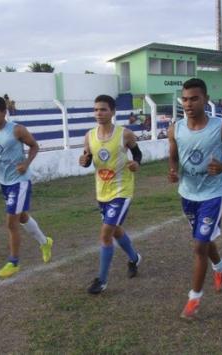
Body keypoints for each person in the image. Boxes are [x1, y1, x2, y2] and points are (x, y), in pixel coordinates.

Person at [168, 78, 222, 319]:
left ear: (206, 99)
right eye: (185, 99)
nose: (188, 103)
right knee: (204, 237)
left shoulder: (221, 126)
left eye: (194, 98)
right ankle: (220, 266)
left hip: (214, 192)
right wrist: (172, 170)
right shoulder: (175, 128)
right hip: (188, 193)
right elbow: (173, 154)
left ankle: (194, 299)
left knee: (200, 244)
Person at [0, 96, 53, 278]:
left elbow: (34, 146)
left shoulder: (17, 130)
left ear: (4, 112)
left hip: (20, 181)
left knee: (11, 222)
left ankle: (13, 262)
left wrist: (26, 163)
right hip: (4, 182)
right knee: (23, 217)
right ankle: (45, 242)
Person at [79, 94, 142, 294]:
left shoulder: (125, 134)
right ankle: (135, 258)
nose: (99, 113)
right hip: (102, 191)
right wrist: (84, 161)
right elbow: (88, 159)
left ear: (113, 112)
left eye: (103, 109)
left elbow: (137, 153)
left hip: (122, 190)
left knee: (106, 233)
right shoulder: (89, 136)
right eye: (96, 109)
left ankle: (102, 280)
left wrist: (136, 163)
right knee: (115, 231)